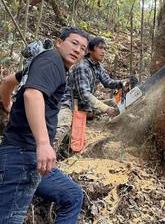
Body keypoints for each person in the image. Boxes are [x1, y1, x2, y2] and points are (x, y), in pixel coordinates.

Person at [0, 27, 89, 223]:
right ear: (59, 42)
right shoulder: (52, 61)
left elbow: (7, 81)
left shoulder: (42, 65)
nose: (78, 50)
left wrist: (6, 104)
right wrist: (43, 143)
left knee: (73, 196)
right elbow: (33, 94)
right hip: (22, 155)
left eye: (83, 49)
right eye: (74, 43)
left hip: (34, 161)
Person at [54, 36, 124, 151]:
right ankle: (47, 156)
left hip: (84, 104)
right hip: (68, 104)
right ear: (90, 50)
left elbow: (108, 82)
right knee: (63, 127)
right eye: (100, 48)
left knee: (114, 102)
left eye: (105, 49)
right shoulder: (82, 66)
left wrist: (123, 83)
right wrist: (105, 109)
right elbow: (85, 94)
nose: (103, 51)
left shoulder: (97, 66)